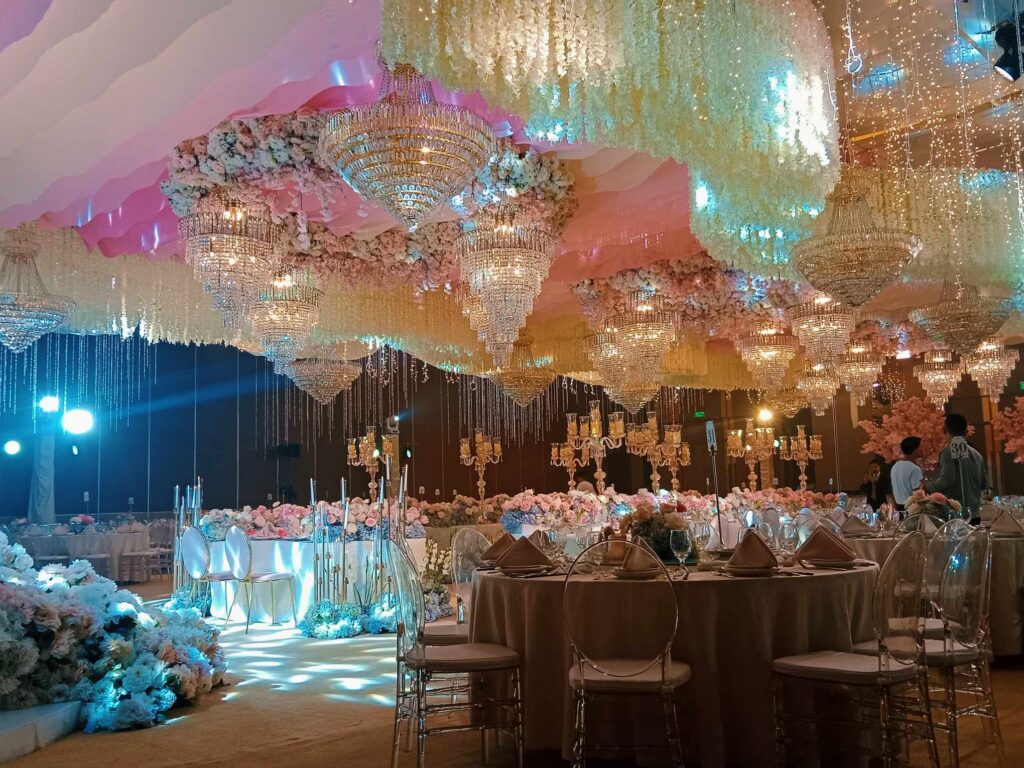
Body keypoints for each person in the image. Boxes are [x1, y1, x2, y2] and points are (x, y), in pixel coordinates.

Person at [927, 413, 987, 517]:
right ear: (966, 431)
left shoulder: (950, 451)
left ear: (944, 430)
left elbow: (947, 480)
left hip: (957, 513)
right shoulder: (977, 454)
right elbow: (983, 484)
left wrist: (929, 485)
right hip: (974, 512)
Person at [890, 436, 924, 514]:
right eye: (921, 447)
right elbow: (917, 494)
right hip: (912, 510)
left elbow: (893, 489)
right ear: (915, 450)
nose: (923, 450)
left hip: (898, 509)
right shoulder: (914, 468)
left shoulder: (895, 466)